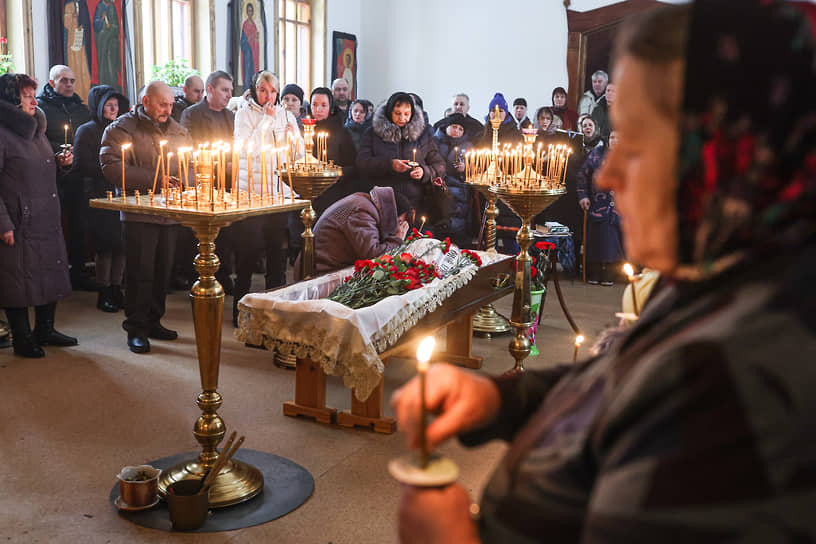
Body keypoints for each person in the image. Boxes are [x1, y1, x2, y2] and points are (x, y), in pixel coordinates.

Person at [391, 1, 816, 541]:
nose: (609, 174)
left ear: (732, 152)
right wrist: (499, 402)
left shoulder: (748, 381)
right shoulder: (731, 271)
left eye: (635, 145)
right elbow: (625, 381)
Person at [100, 81, 192, 354]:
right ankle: (136, 328)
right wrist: (157, 180)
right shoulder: (120, 128)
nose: (167, 110)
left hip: (170, 211)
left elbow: (191, 164)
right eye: (162, 104)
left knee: (163, 270)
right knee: (141, 272)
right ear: (145, 101)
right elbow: (111, 166)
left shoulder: (178, 131)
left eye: (170, 105)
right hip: (139, 211)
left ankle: (154, 321)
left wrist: (182, 182)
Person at [0, 73, 76, 358]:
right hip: (17, 221)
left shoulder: (37, 130)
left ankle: (45, 329)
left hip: (46, 217)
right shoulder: (3, 134)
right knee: (16, 281)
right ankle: (22, 339)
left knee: (50, 271)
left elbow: (36, 171)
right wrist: (3, 223)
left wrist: (60, 163)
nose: (35, 100)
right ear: (11, 101)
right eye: (27, 96)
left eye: (33, 94)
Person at [232, 70, 302, 326]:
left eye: (273, 91)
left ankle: (275, 310)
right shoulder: (243, 113)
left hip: (278, 191)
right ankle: (240, 311)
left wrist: (293, 135)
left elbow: (297, 152)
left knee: (277, 251)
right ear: (254, 90)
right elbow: (246, 150)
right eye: (263, 90)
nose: (269, 96)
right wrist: (266, 121)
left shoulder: (285, 113)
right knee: (248, 251)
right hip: (251, 192)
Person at [72, 84, 129, 312]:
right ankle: (104, 290)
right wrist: (111, 168)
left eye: (116, 104)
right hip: (98, 195)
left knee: (122, 245)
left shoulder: (121, 128)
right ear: (98, 106)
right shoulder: (86, 131)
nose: (114, 108)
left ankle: (117, 288)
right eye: (109, 104)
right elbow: (80, 165)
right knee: (105, 245)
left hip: (122, 193)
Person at [179, 70, 236, 292]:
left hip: (226, 182)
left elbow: (235, 145)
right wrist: (218, 163)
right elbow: (190, 146)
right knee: (201, 233)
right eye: (224, 90)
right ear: (210, 89)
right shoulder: (192, 114)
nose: (229, 95)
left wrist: (231, 164)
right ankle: (198, 274)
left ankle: (224, 273)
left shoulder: (230, 116)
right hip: (202, 182)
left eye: (231, 91)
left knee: (226, 232)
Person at [37, 64, 94, 289]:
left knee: (79, 224)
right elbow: (38, 139)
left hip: (77, 177)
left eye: (71, 80)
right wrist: (57, 153)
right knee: (53, 226)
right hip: (52, 176)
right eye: (64, 80)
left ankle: (79, 273)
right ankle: (54, 276)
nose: (69, 84)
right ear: (52, 83)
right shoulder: (42, 108)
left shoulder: (81, 109)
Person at [357, 91, 445, 217]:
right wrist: (389, 165)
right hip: (382, 200)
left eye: (406, 114)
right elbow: (362, 163)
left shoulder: (423, 134)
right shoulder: (372, 133)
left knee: (413, 235)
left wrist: (424, 172)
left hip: (415, 202)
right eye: (397, 113)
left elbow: (439, 165)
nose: (402, 118)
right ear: (389, 112)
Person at [305, 186, 412, 276]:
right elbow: (373, 256)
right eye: (400, 222)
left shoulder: (365, 203)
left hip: (327, 265)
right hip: (324, 272)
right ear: (392, 212)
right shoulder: (362, 212)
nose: (399, 227)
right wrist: (397, 239)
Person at [578, 130, 624, 285]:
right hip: (598, 206)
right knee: (596, 241)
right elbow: (583, 175)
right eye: (612, 137)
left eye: (618, 137)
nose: (615, 140)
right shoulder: (597, 154)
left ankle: (610, 273)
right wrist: (583, 196)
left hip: (619, 208)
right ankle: (594, 272)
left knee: (613, 242)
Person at [432, 113, 474, 248]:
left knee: (457, 226)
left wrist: (466, 169)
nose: (456, 131)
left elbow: (475, 168)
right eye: (454, 127)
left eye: (460, 129)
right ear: (447, 127)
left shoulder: (468, 146)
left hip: (459, 192)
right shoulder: (434, 142)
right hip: (436, 190)